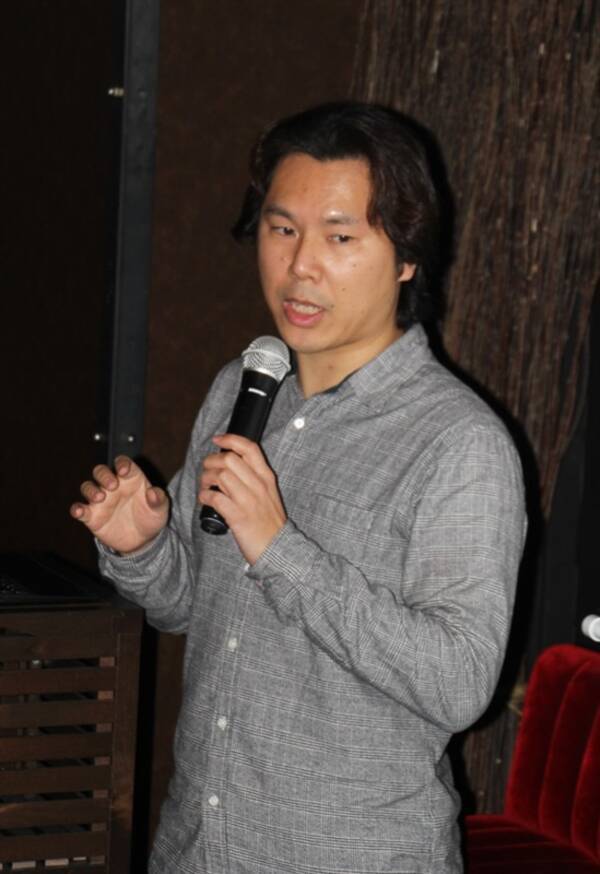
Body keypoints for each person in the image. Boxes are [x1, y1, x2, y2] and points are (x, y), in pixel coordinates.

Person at [71, 102, 526, 874]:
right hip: (198, 848)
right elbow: (186, 603)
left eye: (340, 238)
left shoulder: (460, 443)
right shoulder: (241, 387)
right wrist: (142, 548)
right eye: (282, 229)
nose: (300, 266)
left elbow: (459, 683)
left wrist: (280, 548)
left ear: (407, 257)